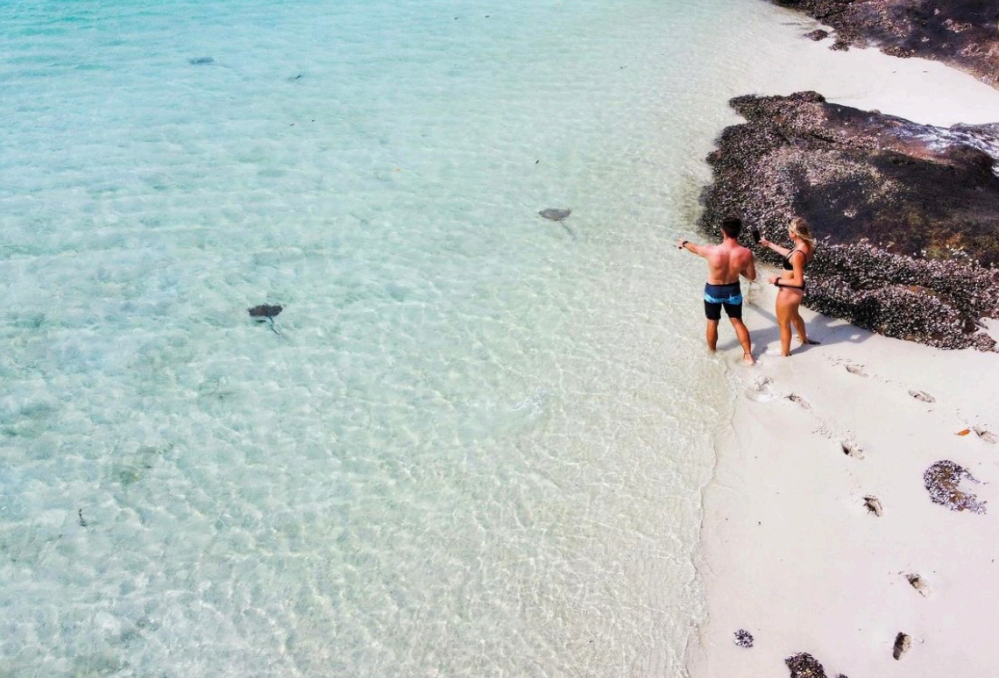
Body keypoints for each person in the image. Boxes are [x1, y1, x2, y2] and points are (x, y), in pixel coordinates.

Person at [678, 216, 757, 364]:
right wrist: (738, 269)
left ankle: (712, 353)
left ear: (723, 232)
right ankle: (748, 355)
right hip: (732, 290)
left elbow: (694, 248)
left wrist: (684, 242)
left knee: (712, 323)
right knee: (737, 322)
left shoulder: (711, 250)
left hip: (713, 291)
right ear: (738, 232)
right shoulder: (746, 253)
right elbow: (751, 276)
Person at [760, 216, 817, 356]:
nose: (788, 233)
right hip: (796, 292)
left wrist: (777, 281)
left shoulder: (798, 253)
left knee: (783, 324)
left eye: (789, 231)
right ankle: (804, 340)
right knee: (794, 316)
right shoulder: (805, 246)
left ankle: (785, 354)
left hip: (789, 291)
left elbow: (798, 280)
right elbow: (790, 256)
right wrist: (769, 244)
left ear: (794, 233)